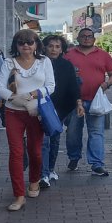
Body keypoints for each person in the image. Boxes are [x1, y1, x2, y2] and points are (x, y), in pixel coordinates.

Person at [0, 30, 55, 210]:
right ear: (16, 45)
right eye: (21, 43)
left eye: (30, 42)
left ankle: (35, 180)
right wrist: (15, 98)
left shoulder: (44, 62)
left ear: (36, 45)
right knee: (16, 153)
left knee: (35, 152)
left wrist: (32, 94)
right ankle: (19, 195)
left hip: (36, 112)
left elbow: (51, 86)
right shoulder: (8, 62)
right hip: (13, 111)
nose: (26, 46)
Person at [64, 27, 112, 176]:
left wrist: (106, 84)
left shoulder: (103, 55)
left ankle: (96, 164)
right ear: (78, 38)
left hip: (96, 101)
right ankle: (74, 157)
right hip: (74, 102)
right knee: (73, 133)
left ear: (94, 39)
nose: (87, 38)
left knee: (96, 133)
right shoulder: (69, 55)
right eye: (83, 36)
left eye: (89, 36)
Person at [42, 34, 84, 187]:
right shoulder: (38, 63)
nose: (53, 49)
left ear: (62, 49)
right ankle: (43, 174)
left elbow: (74, 86)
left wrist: (78, 103)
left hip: (60, 109)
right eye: (50, 46)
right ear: (44, 47)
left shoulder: (66, 65)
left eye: (57, 46)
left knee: (54, 140)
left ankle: (50, 169)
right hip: (41, 107)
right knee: (43, 141)